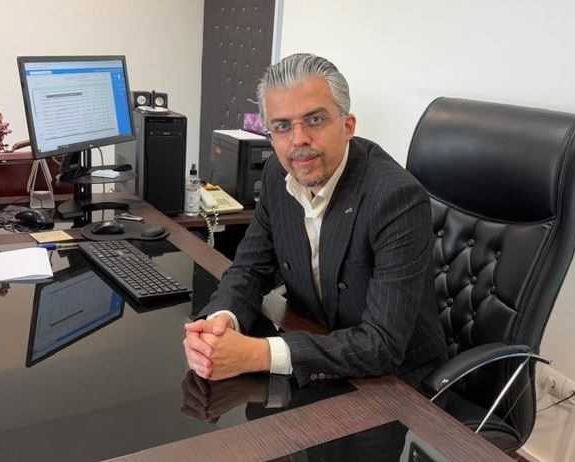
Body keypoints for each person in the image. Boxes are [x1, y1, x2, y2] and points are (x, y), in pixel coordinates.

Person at [183, 53, 447, 388]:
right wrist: (221, 323)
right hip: (317, 348)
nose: (299, 140)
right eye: (282, 126)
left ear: (347, 126)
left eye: (315, 120)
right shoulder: (278, 174)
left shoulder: (395, 198)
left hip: (395, 384)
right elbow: (250, 269)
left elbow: (382, 344)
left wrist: (259, 354)